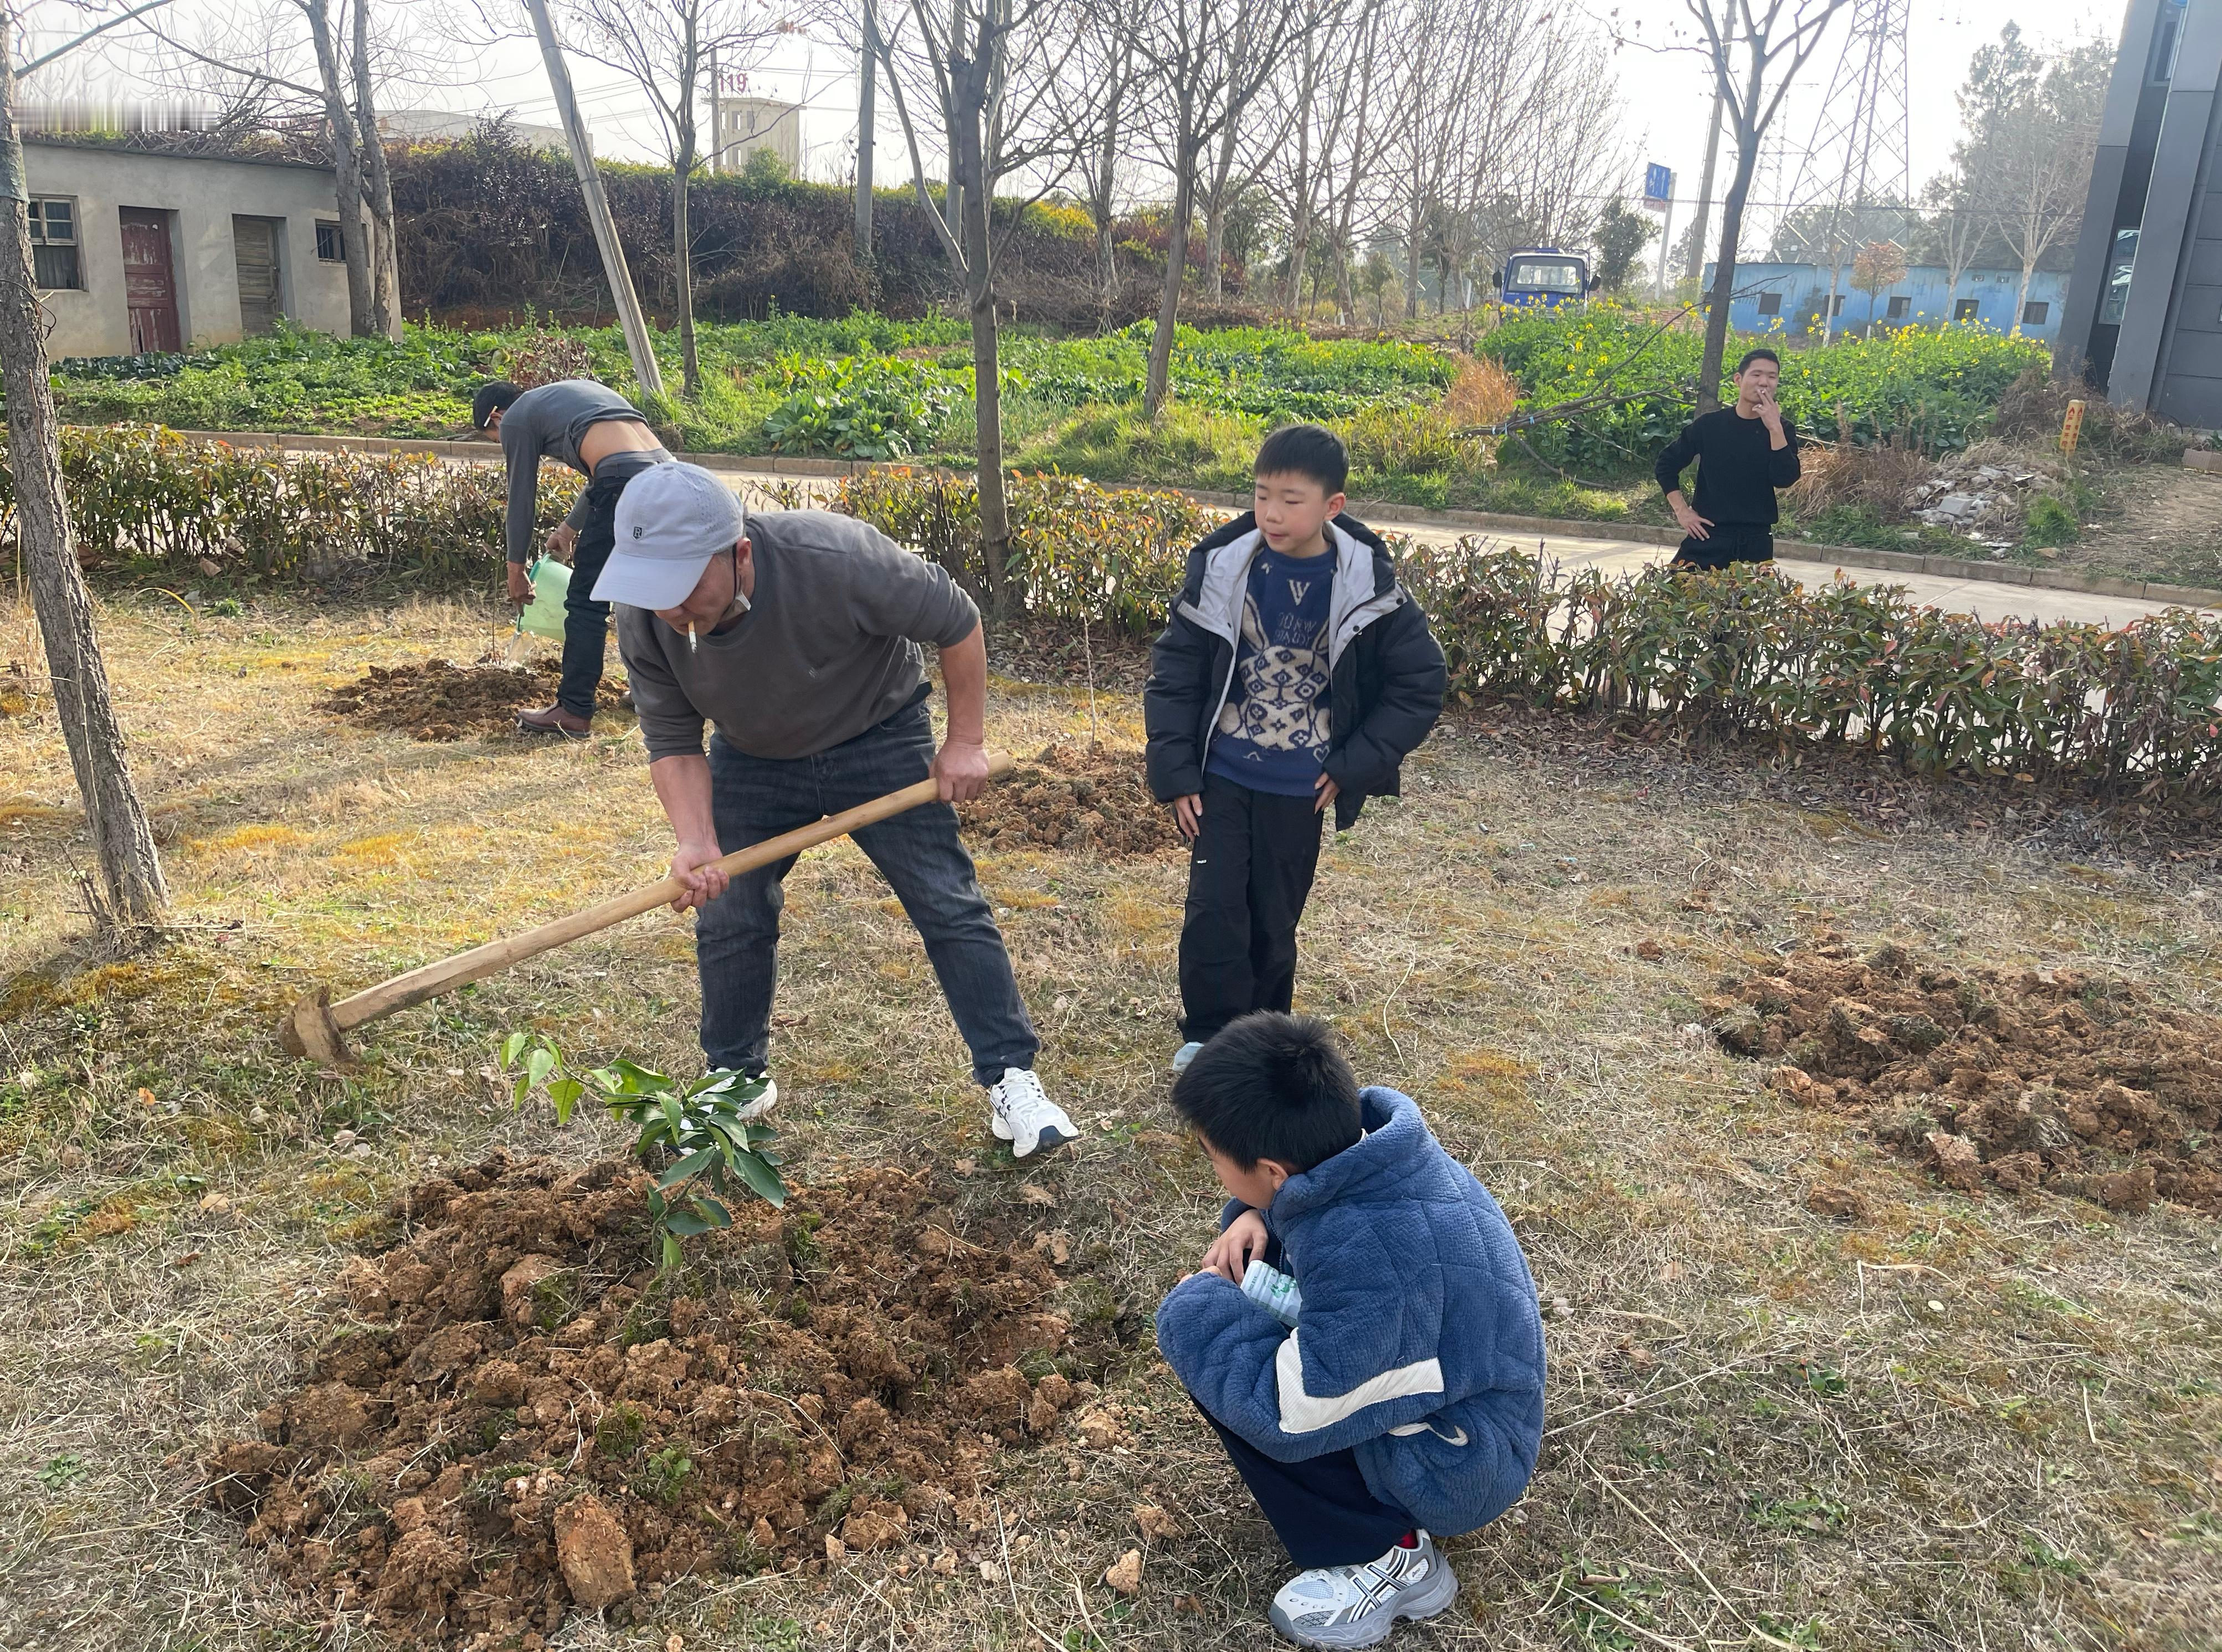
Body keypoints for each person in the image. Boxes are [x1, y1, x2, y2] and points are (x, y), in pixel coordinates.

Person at [591, 460, 1078, 1159]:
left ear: (741, 554)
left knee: (946, 902)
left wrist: (965, 742)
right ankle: (736, 1078)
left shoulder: (834, 557)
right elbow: (671, 738)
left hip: (875, 738)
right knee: (729, 910)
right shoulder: (645, 615)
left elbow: (957, 620)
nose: (673, 608)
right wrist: (696, 840)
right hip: (753, 760)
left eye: (686, 585)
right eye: (655, 587)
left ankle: (1011, 1079)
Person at [1154, 1013, 1546, 1650]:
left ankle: (1388, 1556)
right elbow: (1308, 1210)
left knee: (1225, 1364)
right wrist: (1256, 1212)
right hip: (1460, 1391)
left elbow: (1290, 1411)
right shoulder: (1375, 1153)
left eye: (1216, 1160)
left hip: (1462, 1459)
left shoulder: (1374, 1260)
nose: (1215, 1173)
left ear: (1273, 1169)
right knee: (1261, 1279)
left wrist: (1194, 1309)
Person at [1144, 423, 1445, 1076]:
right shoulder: (1224, 570)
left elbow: (1420, 687)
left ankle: (1262, 1040)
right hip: (1221, 772)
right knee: (1213, 907)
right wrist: (1174, 770)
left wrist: (1352, 765)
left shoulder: (1369, 588)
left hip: (1300, 785)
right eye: (1260, 495)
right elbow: (1175, 675)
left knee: (1273, 917)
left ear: (1333, 507)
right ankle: (1206, 1038)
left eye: (1291, 499)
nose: (1272, 514)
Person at [473, 377, 673, 736]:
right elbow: (609, 468)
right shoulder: (570, 397)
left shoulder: (516, 418)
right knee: (643, 593)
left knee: (586, 601)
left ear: (496, 417)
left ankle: (574, 709)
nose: (505, 445)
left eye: (497, 440)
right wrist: (567, 530)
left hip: (624, 478)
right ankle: (653, 691)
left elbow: (521, 498)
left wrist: (515, 571)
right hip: (668, 474)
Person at [1653, 347, 1802, 570]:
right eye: (1757, 374)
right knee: (1675, 599)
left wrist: (1774, 428)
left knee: (1747, 605)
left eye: (1772, 377)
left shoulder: (1783, 430)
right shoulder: (1710, 425)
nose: (1764, 382)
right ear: (1738, 380)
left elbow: (1785, 478)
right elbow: (1666, 464)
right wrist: (1682, 512)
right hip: (1707, 536)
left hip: (1756, 543)